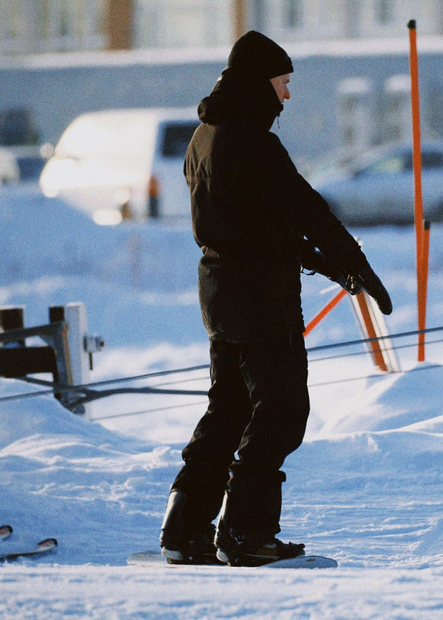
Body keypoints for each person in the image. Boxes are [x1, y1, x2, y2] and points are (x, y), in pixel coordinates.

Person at [159, 31, 392, 567]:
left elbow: (251, 221)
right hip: (263, 298)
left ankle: (185, 527)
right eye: (283, 83)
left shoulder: (205, 137)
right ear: (260, 82)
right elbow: (303, 209)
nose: (287, 96)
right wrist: (354, 260)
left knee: (229, 409)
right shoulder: (253, 140)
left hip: (220, 295)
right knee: (282, 409)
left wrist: (327, 264)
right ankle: (245, 532)